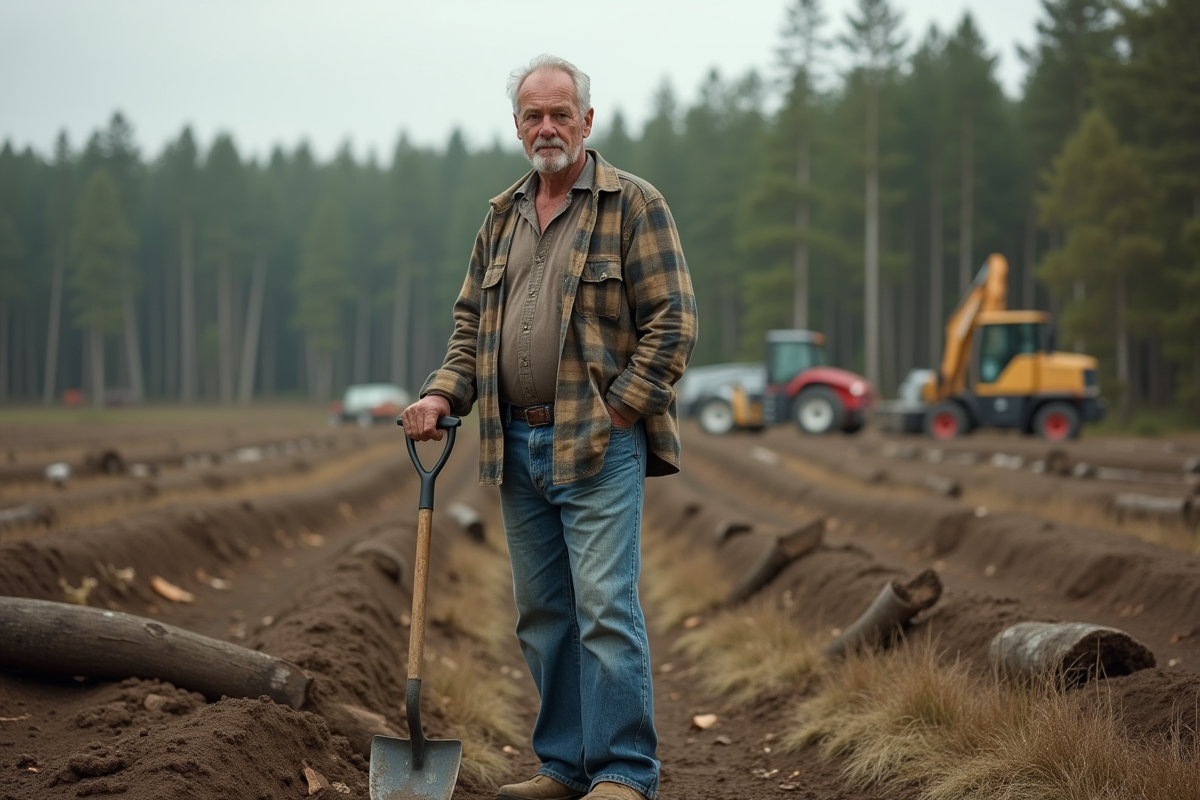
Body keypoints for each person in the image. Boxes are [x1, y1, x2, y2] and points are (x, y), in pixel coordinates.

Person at [400, 54, 696, 800]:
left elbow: (674, 322)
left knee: (603, 609)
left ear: (587, 121)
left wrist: (619, 409)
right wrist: (441, 396)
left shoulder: (632, 204)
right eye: (534, 114)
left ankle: (625, 773)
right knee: (543, 617)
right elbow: (470, 328)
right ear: (516, 126)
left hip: (597, 444)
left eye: (562, 112)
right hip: (515, 443)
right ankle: (565, 767)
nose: (547, 126)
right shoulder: (500, 217)